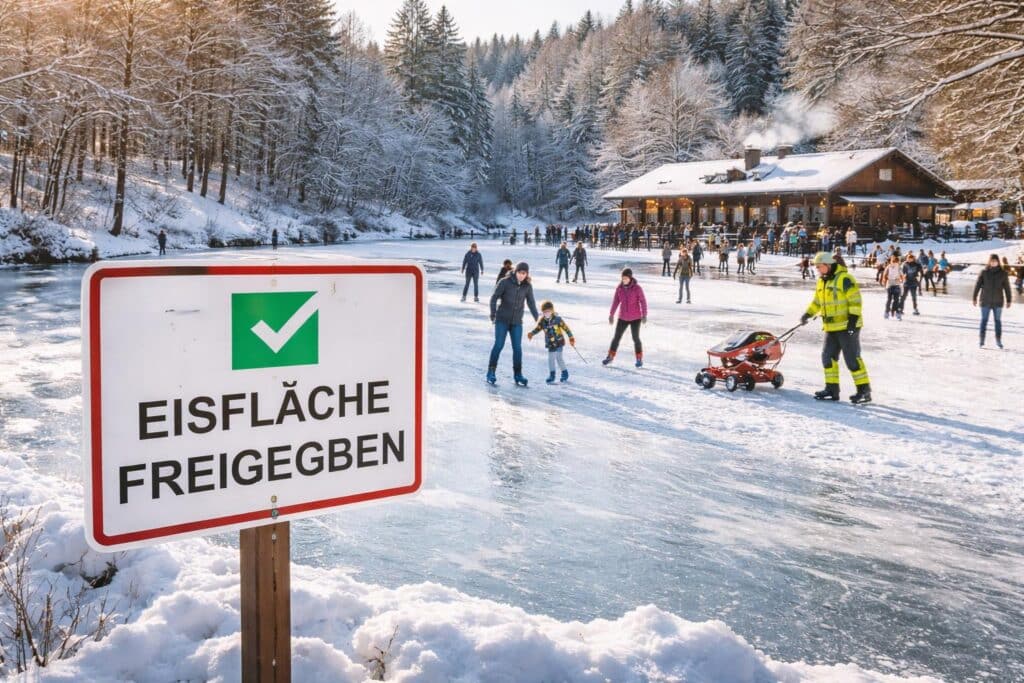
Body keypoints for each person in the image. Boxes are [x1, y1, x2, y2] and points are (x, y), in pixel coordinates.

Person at [800, 252, 871, 403]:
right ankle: (832, 389)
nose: (818, 270)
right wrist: (807, 314)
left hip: (847, 327)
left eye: (820, 267)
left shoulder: (845, 279)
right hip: (830, 327)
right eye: (817, 267)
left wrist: (852, 321)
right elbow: (817, 302)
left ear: (828, 265)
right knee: (827, 358)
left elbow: (855, 300)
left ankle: (864, 390)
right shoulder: (822, 281)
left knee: (852, 359)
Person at [488, 262, 539, 386]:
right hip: (502, 320)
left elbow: (531, 303)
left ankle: (518, 374)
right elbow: (494, 298)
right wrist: (493, 314)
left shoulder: (527, 286)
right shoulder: (504, 282)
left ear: (526, 274)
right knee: (499, 345)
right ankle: (491, 372)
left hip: (516, 322)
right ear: (515, 271)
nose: (522, 275)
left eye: (524, 273)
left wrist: (537, 318)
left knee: (517, 348)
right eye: (520, 273)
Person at [603, 268, 647, 368]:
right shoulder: (619, 288)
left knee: (636, 338)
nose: (624, 280)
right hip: (622, 317)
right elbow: (615, 301)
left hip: (635, 318)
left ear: (630, 278)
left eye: (626, 278)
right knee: (616, 338)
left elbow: (643, 301)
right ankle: (610, 356)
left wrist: (644, 314)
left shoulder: (637, 288)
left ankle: (639, 358)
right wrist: (611, 314)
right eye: (623, 278)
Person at [527, 300, 575, 383]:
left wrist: (571, 337)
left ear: (552, 310)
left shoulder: (558, 319)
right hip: (550, 343)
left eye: (548, 311)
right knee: (551, 359)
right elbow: (538, 328)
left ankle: (564, 373)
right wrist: (532, 333)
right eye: (545, 312)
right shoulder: (542, 321)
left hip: (559, 341)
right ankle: (552, 375)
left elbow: (566, 328)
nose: (547, 313)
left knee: (559, 358)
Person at [973, 253, 1012, 348]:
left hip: (998, 302)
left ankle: (998, 340)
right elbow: (977, 285)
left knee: (997, 321)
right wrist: (974, 297)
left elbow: (1007, 288)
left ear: (998, 262)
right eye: (992, 261)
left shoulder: (1003, 274)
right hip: (985, 301)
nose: (994, 262)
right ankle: (981, 340)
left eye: (995, 261)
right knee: (984, 320)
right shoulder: (984, 272)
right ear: (989, 262)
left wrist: (1009, 300)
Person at [881, 254, 904, 320]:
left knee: (895, 300)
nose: (894, 263)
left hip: (896, 284)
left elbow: (902, 275)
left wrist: (901, 280)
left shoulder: (898, 267)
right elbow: (884, 275)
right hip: (890, 285)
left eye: (896, 262)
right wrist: (885, 280)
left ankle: (895, 312)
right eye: (893, 261)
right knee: (890, 299)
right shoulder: (888, 267)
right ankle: (887, 312)